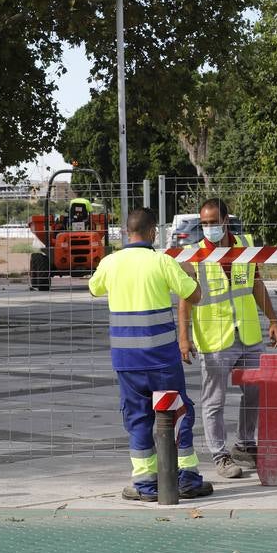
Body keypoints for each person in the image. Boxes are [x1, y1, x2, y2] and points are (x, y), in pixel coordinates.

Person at [88, 206, 214, 502]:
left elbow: (94, 288)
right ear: (153, 232)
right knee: (178, 413)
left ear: (126, 233)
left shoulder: (110, 262)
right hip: (161, 359)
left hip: (126, 360)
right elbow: (195, 296)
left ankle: (145, 482)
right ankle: (187, 478)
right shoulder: (162, 262)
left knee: (137, 417)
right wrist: (189, 273)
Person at [178, 198, 277, 479]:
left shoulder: (244, 246)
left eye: (213, 222)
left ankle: (245, 445)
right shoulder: (193, 254)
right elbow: (185, 299)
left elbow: (256, 284)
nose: (209, 228)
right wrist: (183, 338)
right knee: (214, 400)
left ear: (225, 220)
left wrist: (272, 318)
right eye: (205, 223)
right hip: (215, 339)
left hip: (247, 332)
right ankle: (220, 455)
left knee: (255, 391)